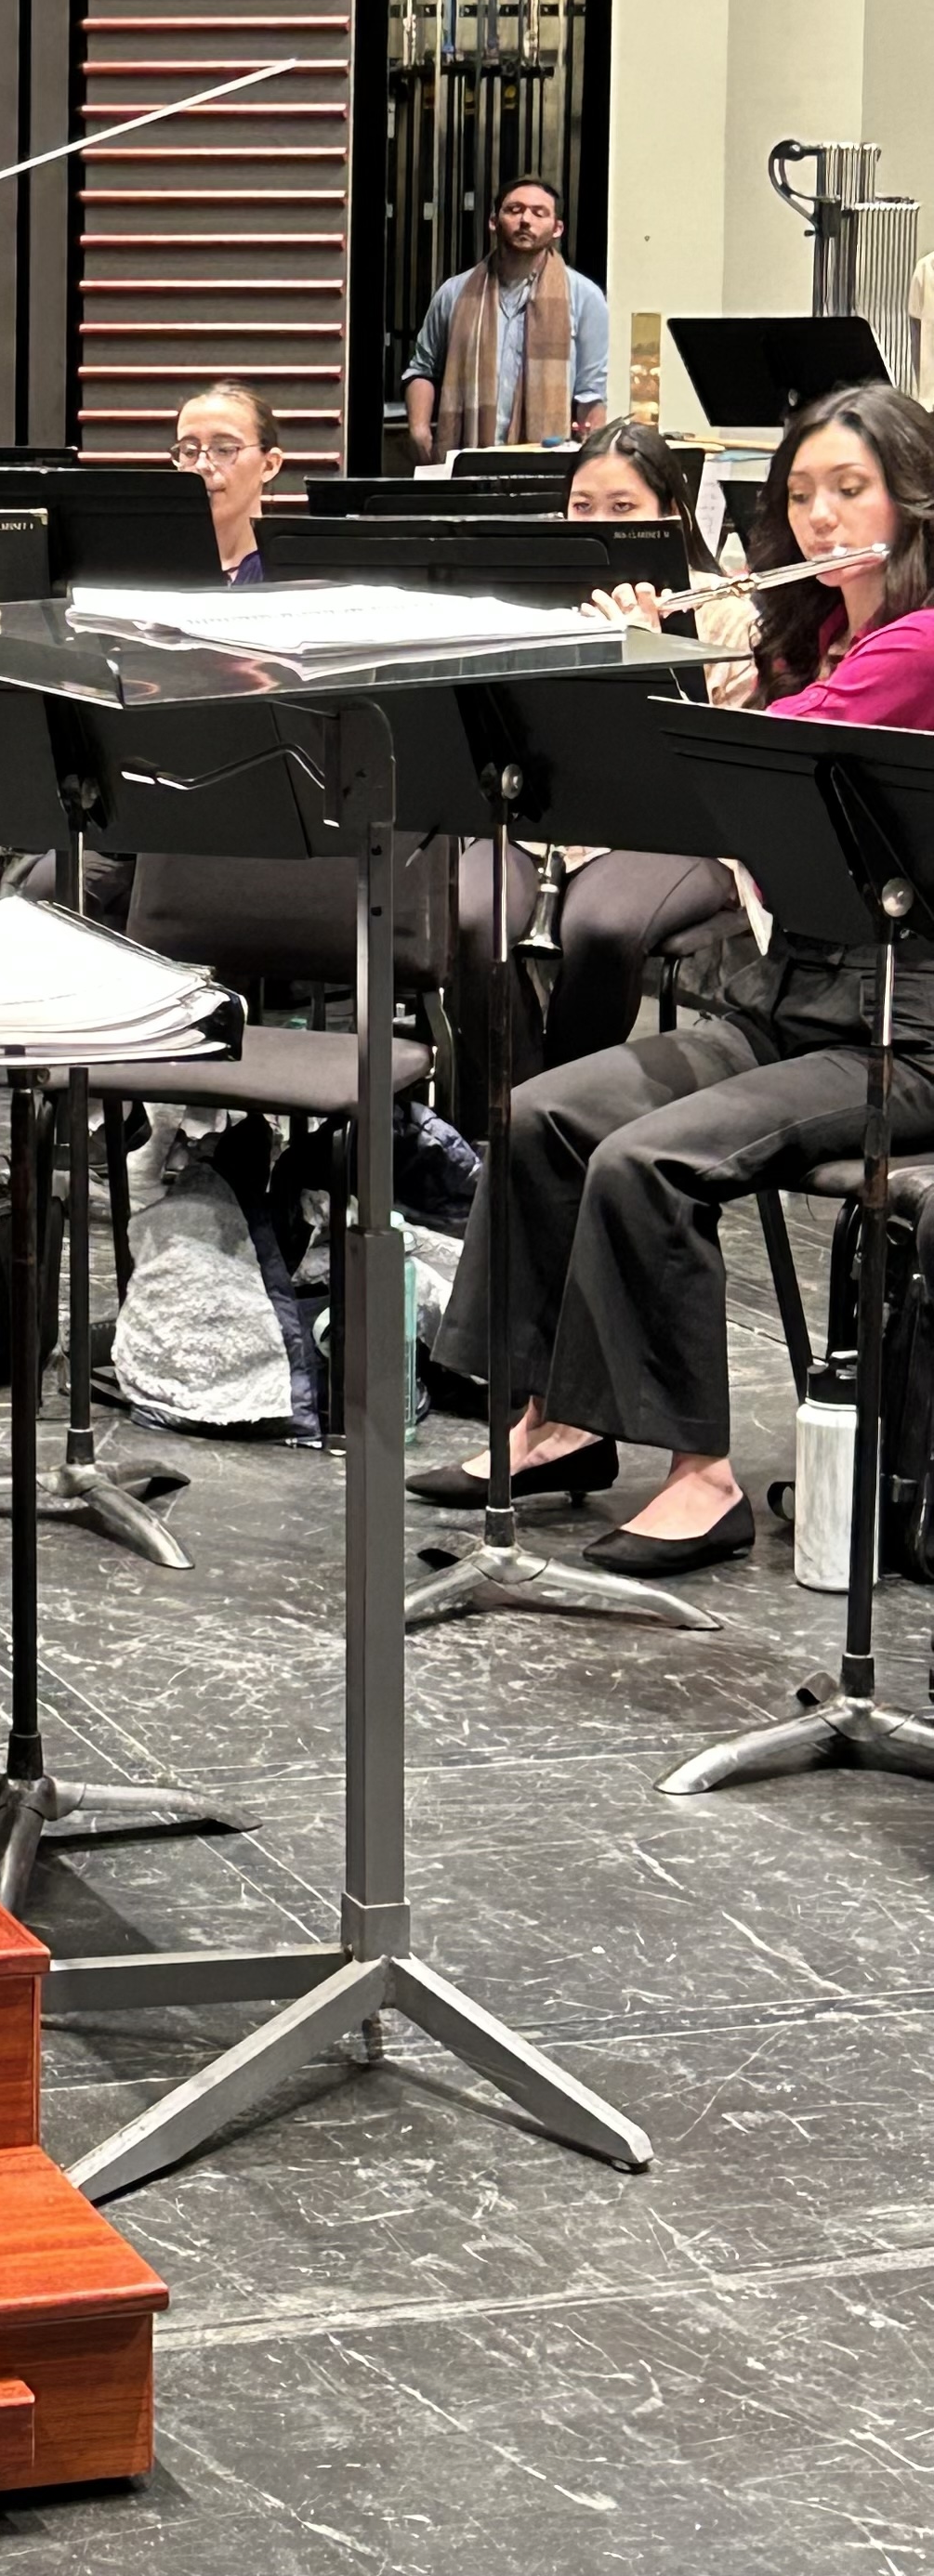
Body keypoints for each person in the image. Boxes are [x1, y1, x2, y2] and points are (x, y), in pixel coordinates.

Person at [414, 381, 934, 1574]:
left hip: (897, 1026)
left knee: (651, 1161)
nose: (818, 516)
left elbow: (752, 774)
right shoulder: (813, 629)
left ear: (910, 499)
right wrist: (667, 657)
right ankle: (558, 1419)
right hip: (785, 1000)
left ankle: (700, 1475)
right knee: (547, 1114)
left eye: (848, 490)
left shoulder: (916, 642)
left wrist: (669, 663)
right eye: (800, 493)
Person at [444, 421, 756, 1128]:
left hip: (677, 829)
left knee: (602, 926)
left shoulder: (728, 610)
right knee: (468, 916)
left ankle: (561, 1124)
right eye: (582, 507)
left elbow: (713, 758)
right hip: (541, 821)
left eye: (624, 508)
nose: (599, 523)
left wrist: (650, 648)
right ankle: (510, 1130)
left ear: (669, 515)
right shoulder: (538, 603)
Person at [401, 176, 610, 457]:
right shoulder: (454, 292)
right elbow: (423, 370)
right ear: (493, 221)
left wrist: (591, 460)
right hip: (465, 458)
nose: (526, 220)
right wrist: (418, 429)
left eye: (539, 213)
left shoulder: (584, 296)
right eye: (514, 210)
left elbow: (591, 391)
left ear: (557, 228)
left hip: (549, 461)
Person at [173, 378, 283, 580]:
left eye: (224, 450)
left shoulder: (296, 575)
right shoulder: (151, 566)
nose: (201, 465)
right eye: (189, 451)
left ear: (269, 465)